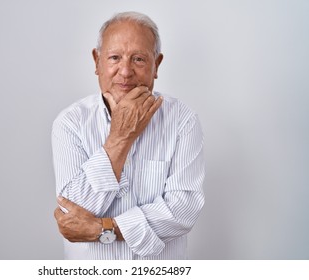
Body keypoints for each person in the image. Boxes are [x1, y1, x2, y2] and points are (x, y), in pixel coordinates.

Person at [52, 11, 205, 260]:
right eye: (114, 58)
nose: (125, 71)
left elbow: (183, 210)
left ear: (157, 64)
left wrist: (104, 229)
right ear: (96, 61)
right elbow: (73, 215)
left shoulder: (182, 120)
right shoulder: (70, 123)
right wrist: (120, 137)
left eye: (138, 59)